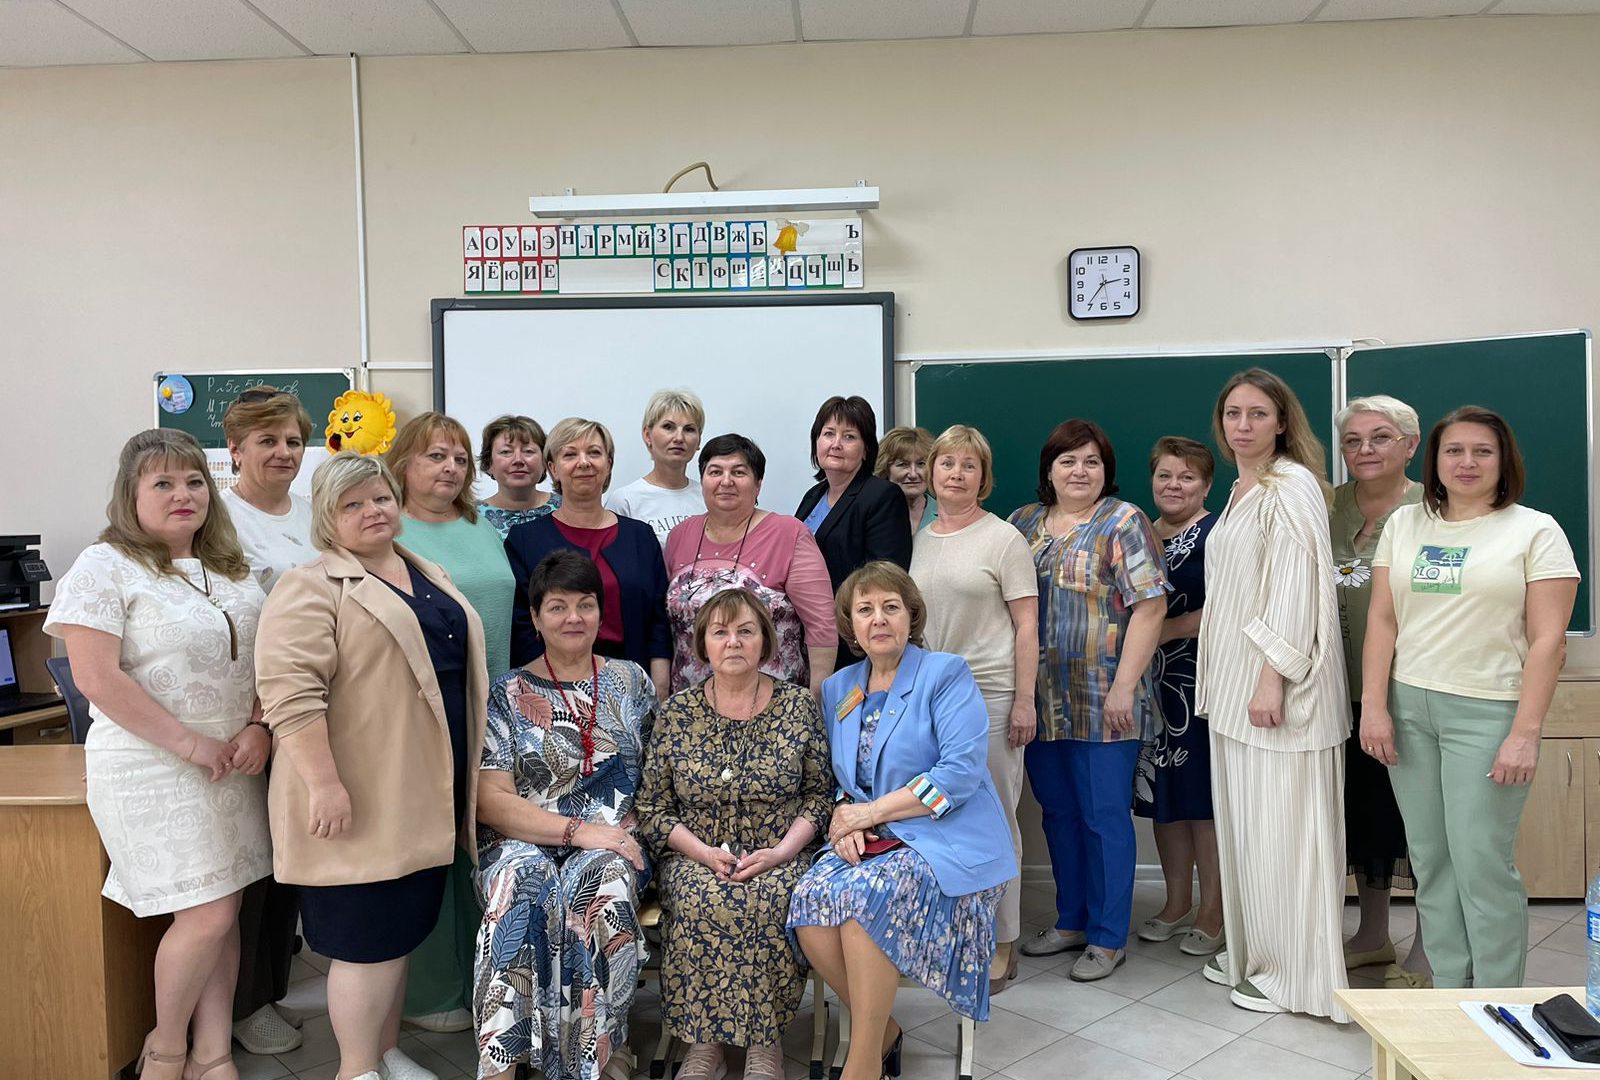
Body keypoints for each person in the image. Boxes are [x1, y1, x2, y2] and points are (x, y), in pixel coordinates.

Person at [46, 428, 273, 1080]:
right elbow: (96, 678)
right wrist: (190, 743)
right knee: (207, 913)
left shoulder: (232, 568)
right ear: (131, 493)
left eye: (195, 481)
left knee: (223, 909)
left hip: (232, 764)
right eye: (164, 483)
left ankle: (213, 1053)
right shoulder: (104, 566)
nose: (184, 494)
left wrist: (259, 726)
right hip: (152, 766)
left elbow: (268, 661)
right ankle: (166, 1050)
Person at [256, 451, 488, 1080]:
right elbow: (290, 697)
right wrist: (324, 785)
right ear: (326, 519)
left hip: (421, 788)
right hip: (357, 793)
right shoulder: (309, 587)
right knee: (365, 943)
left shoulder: (425, 571)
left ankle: (385, 1054)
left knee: (399, 935)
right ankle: (356, 1070)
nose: (372, 511)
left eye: (381, 497)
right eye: (351, 504)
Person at [1362, 406, 1578, 989]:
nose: (1466, 462)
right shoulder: (1405, 525)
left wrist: (1525, 734)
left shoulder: (1535, 531)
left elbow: (1548, 642)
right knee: (1431, 862)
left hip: (1488, 713)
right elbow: (1383, 620)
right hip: (1409, 709)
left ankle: (1495, 1001)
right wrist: (1375, 706)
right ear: (1434, 459)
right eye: (1453, 450)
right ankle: (1449, 995)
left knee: (1481, 864)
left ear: (1504, 460)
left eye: (1482, 451)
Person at [789, 563, 1016, 1080]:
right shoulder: (840, 687)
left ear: (910, 616)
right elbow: (842, 777)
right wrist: (847, 819)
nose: (879, 619)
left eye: (890, 607)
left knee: (863, 902)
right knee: (808, 905)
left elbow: (959, 773)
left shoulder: (945, 673)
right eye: (865, 610)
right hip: (870, 838)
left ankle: (863, 1062)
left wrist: (870, 813)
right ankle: (885, 1030)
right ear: (850, 625)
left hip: (945, 836)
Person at [1194, 368, 1349, 1019]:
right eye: (1233, 413)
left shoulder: (1292, 485)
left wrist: (1271, 679)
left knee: (1286, 838)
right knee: (1252, 835)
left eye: (1258, 413)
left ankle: (1297, 975)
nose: (1243, 425)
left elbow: (1294, 587)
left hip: (1277, 696)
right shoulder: (1240, 488)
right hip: (1236, 692)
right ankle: (1257, 952)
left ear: (1282, 422)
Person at [473, 550, 657, 1080]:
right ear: (535, 618)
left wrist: (613, 834)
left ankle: (600, 1052)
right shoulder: (507, 693)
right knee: (520, 884)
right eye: (557, 607)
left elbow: (659, 776)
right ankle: (503, 1061)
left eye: (585, 605)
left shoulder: (632, 682)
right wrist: (576, 830)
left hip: (613, 841)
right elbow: (491, 799)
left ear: (600, 612)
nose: (573, 618)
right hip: (524, 838)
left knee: (601, 888)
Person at [637, 588, 832, 1080]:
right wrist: (703, 853)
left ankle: (765, 1043)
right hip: (694, 854)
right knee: (701, 898)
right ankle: (705, 1044)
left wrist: (781, 852)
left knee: (766, 899)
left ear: (765, 640)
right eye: (720, 632)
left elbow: (818, 797)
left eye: (746, 631)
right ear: (702, 644)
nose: (733, 642)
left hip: (780, 852)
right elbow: (653, 808)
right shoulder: (677, 713)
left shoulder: (797, 707)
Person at [1008, 420, 1168, 982]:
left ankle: (1106, 936)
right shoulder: (1021, 524)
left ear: (1106, 471)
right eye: (1068, 461)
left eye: (1092, 461)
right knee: (1058, 815)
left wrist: (1125, 685)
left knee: (1104, 817)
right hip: (1039, 700)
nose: (1080, 471)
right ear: (1049, 470)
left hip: (1106, 700)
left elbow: (1151, 606)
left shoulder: (1123, 521)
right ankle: (1071, 919)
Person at [385, 412, 517, 1033]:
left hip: (494, 707)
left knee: (479, 841)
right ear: (403, 463)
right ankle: (430, 991)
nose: (451, 468)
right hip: (428, 708)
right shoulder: (389, 528)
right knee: (431, 843)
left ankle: (476, 977)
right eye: (435, 456)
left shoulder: (480, 523)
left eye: (461, 459)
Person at [908, 424, 1038, 995]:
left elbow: (1027, 625)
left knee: (996, 817)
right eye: (947, 464)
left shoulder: (1004, 539)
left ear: (984, 478)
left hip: (989, 694)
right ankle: (954, 933)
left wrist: (1025, 700)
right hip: (929, 696)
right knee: (936, 814)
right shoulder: (919, 537)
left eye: (969, 466)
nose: (956, 474)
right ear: (931, 472)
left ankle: (1002, 942)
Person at [219, 387, 316, 1055]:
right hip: (250, 714)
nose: (283, 452)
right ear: (235, 449)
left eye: (292, 441)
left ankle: (272, 989)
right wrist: (259, 716)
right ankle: (244, 1006)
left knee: (290, 861)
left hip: (309, 706)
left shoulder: (313, 514)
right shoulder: (219, 520)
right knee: (253, 865)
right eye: (267, 441)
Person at [1328, 396, 1429, 988]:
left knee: (1420, 825)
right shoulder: (1327, 506)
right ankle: (1372, 935)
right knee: (1366, 819)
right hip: (1336, 695)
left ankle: (1430, 950)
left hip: (1409, 693)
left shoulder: (1433, 508)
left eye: (1381, 437)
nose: (1364, 449)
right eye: (1353, 440)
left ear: (1410, 445)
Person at [1133, 437, 1224, 958]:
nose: (1174, 485)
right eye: (1165, 475)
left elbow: (1230, 606)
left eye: (1187, 477)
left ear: (1206, 485)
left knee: (1201, 802)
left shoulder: (1218, 533)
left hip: (1197, 684)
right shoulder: (1139, 532)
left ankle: (1213, 910)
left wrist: (1164, 632)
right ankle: (1176, 903)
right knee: (1164, 798)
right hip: (1148, 688)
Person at [506, 417, 671, 698]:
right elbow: (522, 625)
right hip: (552, 688)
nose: (584, 463)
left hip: (632, 684)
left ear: (608, 464)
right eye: (570, 454)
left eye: (594, 453)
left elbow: (658, 621)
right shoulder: (525, 540)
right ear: (553, 468)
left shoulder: (640, 537)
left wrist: (660, 687)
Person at [664, 433, 837, 697]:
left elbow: (821, 624)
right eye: (715, 472)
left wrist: (817, 698)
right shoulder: (680, 536)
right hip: (693, 706)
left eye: (739, 472)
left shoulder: (788, 534)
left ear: (758, 484)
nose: (726, 481)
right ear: (702, 480)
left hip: (774, 706)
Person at [795, 398, 913, 671]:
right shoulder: (813, 496)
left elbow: (885, 576)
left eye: (849, 437)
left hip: (853, 644)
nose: (836, 444)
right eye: (828, 434)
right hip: (809, 638)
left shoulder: (882, 496)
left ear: (865, 449)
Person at [607, 388, 706, 547]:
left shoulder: (707, 496)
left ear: (699, 440)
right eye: (668, 427)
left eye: (689, 429)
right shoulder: (625, 501)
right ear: (648, 435)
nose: (679, 438)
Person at [478, 414, 560, 539]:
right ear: (488, 463)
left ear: (544, 462)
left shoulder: (566, 509)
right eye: (506, 452)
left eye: (528, 451)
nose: (518, 460)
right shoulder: (472, 518)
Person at [876, 426, 937, 535]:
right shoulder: (872, 515)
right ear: (885, 469)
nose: (913, 474)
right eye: (903, 464)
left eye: (921, 464)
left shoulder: (949, 515)